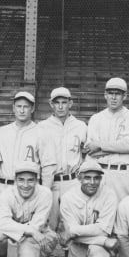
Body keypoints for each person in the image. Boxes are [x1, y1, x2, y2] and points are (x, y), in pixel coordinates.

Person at [0, 91, 56, 257]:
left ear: (32, 108)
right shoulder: (3, 131)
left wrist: (44, 191)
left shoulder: (41, 132)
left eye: (26, 106)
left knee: (37, 231)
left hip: (30, 189)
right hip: (6, 186)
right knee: (2, 232)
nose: (22, 109)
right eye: (18, 106)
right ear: (13, 108)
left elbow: (49, 166)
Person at [84, 77, 129, 257]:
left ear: (125, 95)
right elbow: (91, 149)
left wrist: (101, 145)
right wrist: (108, 147)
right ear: (105, 94)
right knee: (101, 220)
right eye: (110, 92)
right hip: (101, 173)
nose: (114, 96)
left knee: (125, 223)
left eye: (118, 93)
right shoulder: (96, 118)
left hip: (123, 173)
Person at [59, 159, 118, 257]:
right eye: (87, 177)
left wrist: (72, 231)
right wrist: (104, 240)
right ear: (79, 178)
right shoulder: (68, 197)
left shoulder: (109, 194)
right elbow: (75, 233)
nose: (92, 182)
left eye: (96, 178)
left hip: (97, 246)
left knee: (97, 251)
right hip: (79, 246)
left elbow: (103, 229)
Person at [38, 87, 87, 239]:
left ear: (70, 103)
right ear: (51, 104)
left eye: (64, 102)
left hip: (72, 180)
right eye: (56, 102)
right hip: (50, 182)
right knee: (47, 224)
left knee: (72, 224)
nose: (60, 106)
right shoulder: (42, 127)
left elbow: (86, 153)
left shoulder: (80, 126)